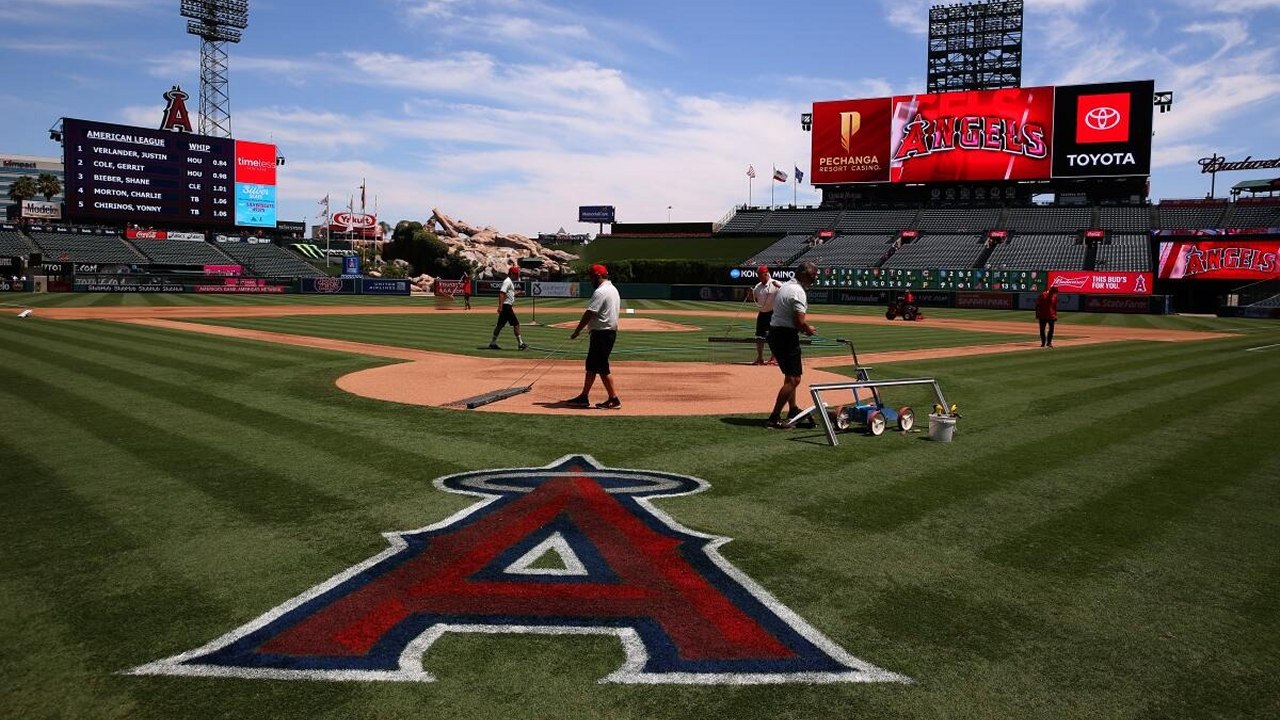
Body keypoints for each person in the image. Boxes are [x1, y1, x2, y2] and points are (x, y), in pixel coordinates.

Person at [765, 261, 819, 429]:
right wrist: (808, 329)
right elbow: (799, 322)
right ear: (803, 274)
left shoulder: (787, 286)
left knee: (790, 375)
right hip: (785, 336)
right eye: (813, 275)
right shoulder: (798, 292)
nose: (815, 278)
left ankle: (793, 410)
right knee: (795, 379)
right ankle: (774, 418)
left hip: (776, 333)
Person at [564, 264, 621, 409]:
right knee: (591, 366)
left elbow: (589, 313)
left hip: (602, 334)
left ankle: (614, 399)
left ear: (597, 276)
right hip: (606, 332)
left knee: (602, 367)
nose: (591, 281)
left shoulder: (600, 292)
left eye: (591, 278)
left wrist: (577, 331)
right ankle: (584, 396)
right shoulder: (613, 289)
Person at [489, 266, 528, 350]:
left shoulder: (509, 281)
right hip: (506, 306)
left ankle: (493, 343)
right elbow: (501, 293)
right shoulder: (507, 281)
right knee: (516, 324)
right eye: (515, 274)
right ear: (511, 273)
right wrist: (500, 306)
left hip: (506, 306)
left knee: (499, 326)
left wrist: (519, 293)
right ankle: (520, 344)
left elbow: (510, 294)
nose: (516, 275)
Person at [750, 265, 782, 365]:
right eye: (758, 275)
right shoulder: (758, 286)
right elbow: (754, 299)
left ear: (766, 273)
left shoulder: (775, 283)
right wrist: (750, 295)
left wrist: (780, 287)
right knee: (759, 337)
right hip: (762, 313)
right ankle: (760, 358)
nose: (759, 276)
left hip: (773, 313)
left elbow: (786, 292)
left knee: (774, 337)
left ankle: (774, 358)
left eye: (760, 274)